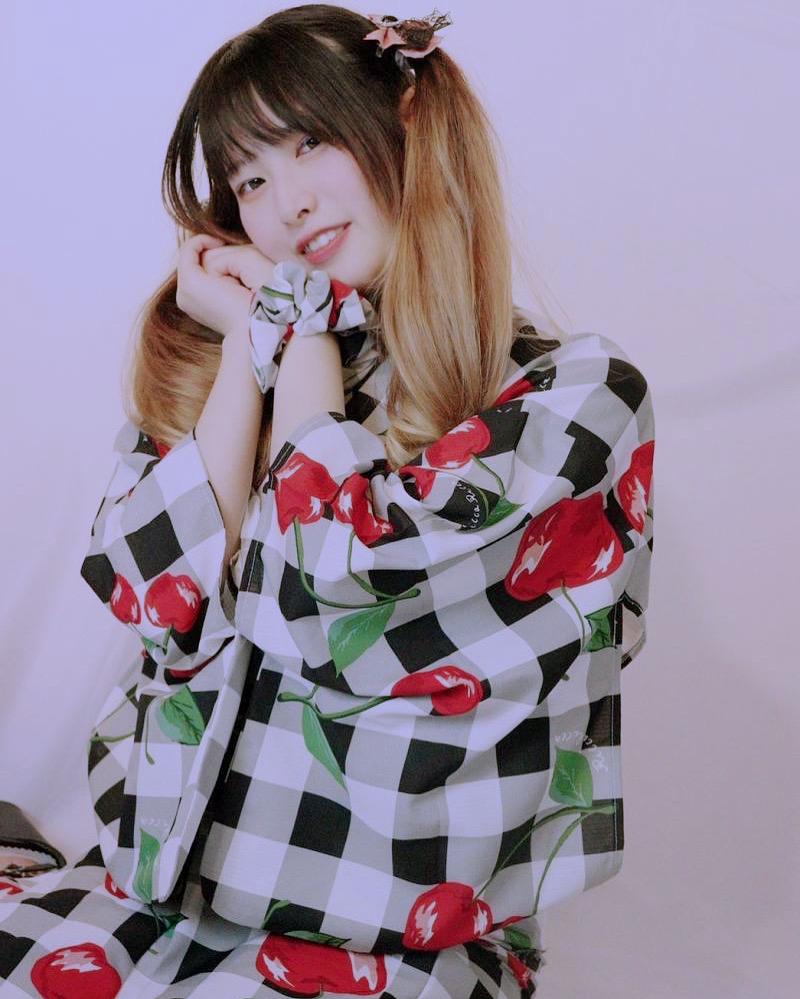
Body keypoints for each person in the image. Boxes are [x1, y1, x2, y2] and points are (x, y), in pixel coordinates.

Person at [0, 4, 655, 996]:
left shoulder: (574, 399)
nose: (288, 203)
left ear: (402, 130)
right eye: (251, 180)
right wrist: (253, 346)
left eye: (309, 142)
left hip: (399, 942)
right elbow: (153, 594)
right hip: (169, 896)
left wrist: (297, 338)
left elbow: (329, 599)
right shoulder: (254, 359)